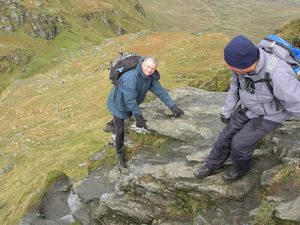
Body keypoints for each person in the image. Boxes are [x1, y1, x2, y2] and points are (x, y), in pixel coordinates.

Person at [193, 35, 300, 182]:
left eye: (232, 65)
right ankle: (212, 165)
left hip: (269, 115)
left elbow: (295, 101)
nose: (228, 67)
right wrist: (227, 111)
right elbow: (234, 88)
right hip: (247, 107)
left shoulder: (278, 73)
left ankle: (241, 170)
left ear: (246, 64)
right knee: (225, 136)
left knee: (239, 144)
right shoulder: (238, 68)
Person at [106, 56, 184, 169]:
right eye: (148, 67)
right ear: (142, 65)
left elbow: (161, 92)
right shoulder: (130, 77)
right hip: (118, 103)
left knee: (126, 116)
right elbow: (130, 101)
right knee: (120, 131)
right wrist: (139, 117)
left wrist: (173, 106)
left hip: (129, 104)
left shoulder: (149, 77)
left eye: (152, 68)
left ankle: (110, 124)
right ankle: (119, 155)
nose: (149, 70)